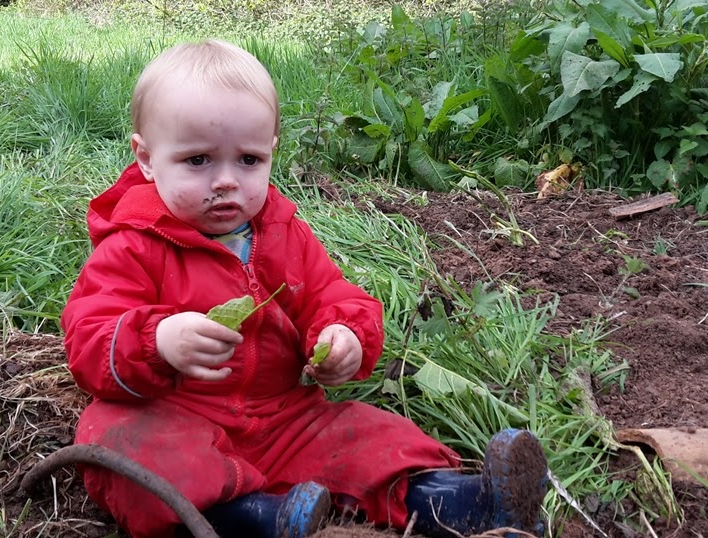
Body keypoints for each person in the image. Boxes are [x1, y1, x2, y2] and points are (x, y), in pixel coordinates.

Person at [61, 39, 549, 538]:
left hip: (284, 419)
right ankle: (260, 521)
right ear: (146, 158)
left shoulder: (281, 233)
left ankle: (465, 503)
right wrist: (157, 341)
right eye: (198, 161)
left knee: (370, 440)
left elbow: (330, 294)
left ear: (272, 150)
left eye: (248, 160)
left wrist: (343, 335)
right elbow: (88, 337)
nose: (227, 181)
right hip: (177, 417)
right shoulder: (133, 245)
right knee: (118, 446)